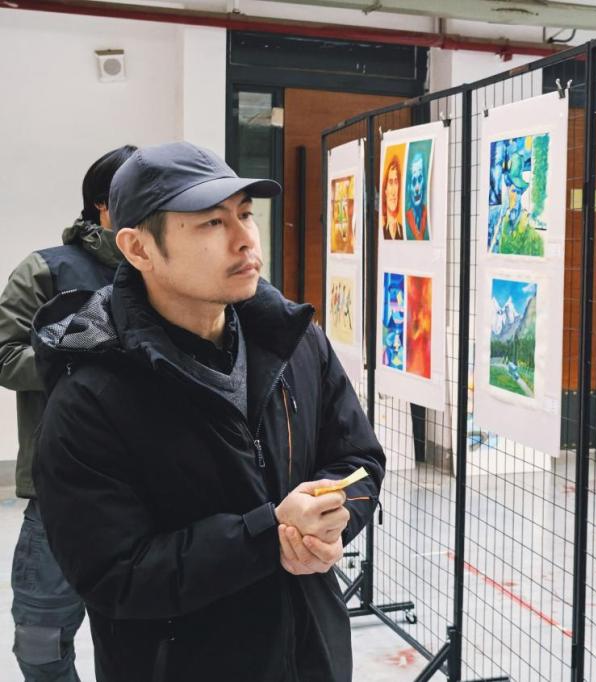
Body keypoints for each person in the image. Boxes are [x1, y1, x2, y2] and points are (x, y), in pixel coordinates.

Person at [31, 142, 385, 681]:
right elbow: (115, 575)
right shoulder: (91, 397)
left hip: (313, 655)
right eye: (212, 223)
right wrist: (267, 536)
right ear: (138, 248)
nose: (245, 239)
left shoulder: (294, 342)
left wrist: (332, 523)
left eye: (245, 214)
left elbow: (359, 458)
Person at [0, 144, 136, 680]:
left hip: (151, 488)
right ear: (103, 203)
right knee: (40, 641)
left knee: (147, 634)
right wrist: (80, 355)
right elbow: (5, 357)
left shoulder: (166, 270)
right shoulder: (46, 270)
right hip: (60, 488)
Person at [404, 151, 429, 240]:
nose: (417, 188)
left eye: (420, 178)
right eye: (414, 181)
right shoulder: (406, 218)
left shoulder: (427, 213)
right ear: (408, 187)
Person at [381, 155, 403, 240]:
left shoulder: (403, 233)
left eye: (396, 182)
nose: (394, 191)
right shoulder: (381, 232)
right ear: (385, 190)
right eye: (390, 182)